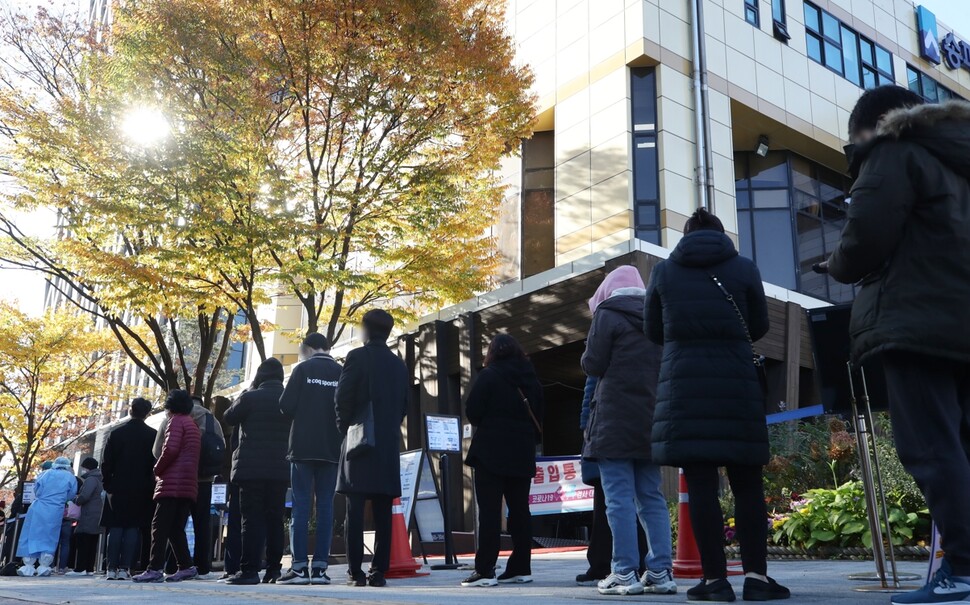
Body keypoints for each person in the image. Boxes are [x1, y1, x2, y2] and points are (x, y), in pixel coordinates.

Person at [822, 87, 970, 605]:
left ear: (871, 127)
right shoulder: (958, 160)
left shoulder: (893, 152)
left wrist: (835, 266)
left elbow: (865, 238)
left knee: (930, 445)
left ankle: (965, 569)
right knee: (963, 445)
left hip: (917, 321)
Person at [645, 208, 789, 602]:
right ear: (721, 234)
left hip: (685, 387)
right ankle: (757, 578)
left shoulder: (663, 272)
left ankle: (714, 581)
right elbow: (759, 325)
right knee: (747, 485)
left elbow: (652, 329)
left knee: (702, 486)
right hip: (736, 382)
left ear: (686, 235)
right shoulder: (744, 268)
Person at [581, 265, 675, 597]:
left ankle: (623, 572)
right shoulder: (657, 315)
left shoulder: (607, 314)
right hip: (650, 418)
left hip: (614, 421)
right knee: (651, 496)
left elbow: (593, 364)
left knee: (619, 499)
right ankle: (661, 571)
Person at [460, 334, 544, 588]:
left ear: (493, 353)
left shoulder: (489, 376)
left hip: (491, 453)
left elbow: (473, 412)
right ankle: (521, 567)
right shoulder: (532, 379)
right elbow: (539, 413)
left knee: (489, 511)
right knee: (520, 510)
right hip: (522, 451)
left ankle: (485, 570)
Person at [335, 309, 408, 588]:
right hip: (388, 442)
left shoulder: (357, 357)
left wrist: (346, 428)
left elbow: (342, 397)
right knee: (383, 510)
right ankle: (379, 571)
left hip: (359, 439)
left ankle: (355, 571)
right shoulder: (398, 364)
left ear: (365, 329)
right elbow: (404, 405)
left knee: (354, 509)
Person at [278, 332, 343, 586]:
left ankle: (298, 568)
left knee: (301, 506)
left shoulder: (302, 370)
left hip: (303, 448)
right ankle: (320, 569)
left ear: (308, 348)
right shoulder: (340, 372)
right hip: (331, 448)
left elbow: (285, 406)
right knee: (326, 505)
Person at [223, 357, 290, 586]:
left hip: (250, 469)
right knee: (275, 520)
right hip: (280, 468)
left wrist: (246, 392)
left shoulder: (250, 398)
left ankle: (249, 570)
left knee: (250, 520)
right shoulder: (288, 399)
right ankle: (274, 570)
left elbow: (228, 416)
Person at [153, 395, 225, 580]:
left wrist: (159, 468)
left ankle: (171, 565)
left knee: (173, 523)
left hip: (178, 478)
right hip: (205, 479)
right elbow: (221, 445)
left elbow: (159, 449)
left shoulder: (173, 419)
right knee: (202, 523)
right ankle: (202, 566)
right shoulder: (211, 419)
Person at [133, 390, 202, 583]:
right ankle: (186, 566)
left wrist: (157, 469)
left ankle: (154, 568)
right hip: (188, 483)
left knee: (159, 526)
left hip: (172, 482)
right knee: (175, 528)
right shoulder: (192, 424)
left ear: (170, 407)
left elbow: (169, 449)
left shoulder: (176, 422)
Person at [101, 397, 157, 581]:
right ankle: (126, 568)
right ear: (147, 413)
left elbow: (106, 463)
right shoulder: (153, 435)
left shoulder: (116, 434)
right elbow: (155, 463)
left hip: (118, 486)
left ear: (130, 410)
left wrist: (108, 484)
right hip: (142, 487)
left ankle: (110, 568)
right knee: (133, 527)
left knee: (116, 527)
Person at [16, 457, 77, 577]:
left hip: (38, 507)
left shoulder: (45, 473)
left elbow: (37, 490)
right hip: (55, 509)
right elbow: (71, 494)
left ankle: (28, 565)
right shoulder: (70, 477)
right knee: (50, 535)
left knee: (31, 533)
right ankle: (44, 565)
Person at [211, 395, 240, 582]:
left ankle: (215, 555)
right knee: (234, 521)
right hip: (235, 479)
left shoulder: (215, 432)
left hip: (218, 481)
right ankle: (226, 558)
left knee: (216, 520)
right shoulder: (236, 430)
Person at [65, 458, 103, 577]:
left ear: (87, 467)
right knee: (92, 542)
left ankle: (80, 568)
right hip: (97, 514)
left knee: (83, 541)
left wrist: (76, 500)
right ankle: (89, 568)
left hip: (88, 514)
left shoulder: (91, 479)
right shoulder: (101, 478)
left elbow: (85, 496)